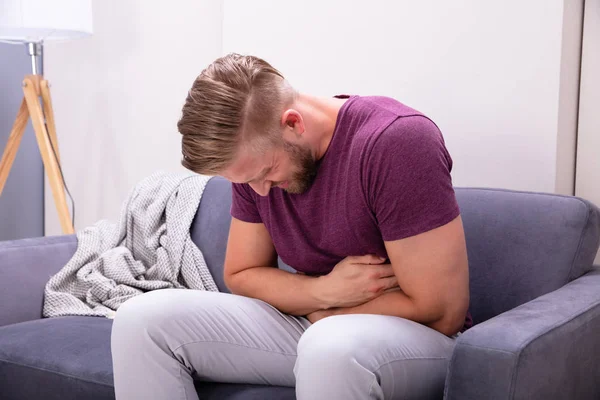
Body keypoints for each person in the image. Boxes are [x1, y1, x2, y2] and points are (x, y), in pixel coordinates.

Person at [111, 53, 470, 400]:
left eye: (266, 173)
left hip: (413, 338)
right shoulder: (256, 164)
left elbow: (442, 310)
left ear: (293, 123)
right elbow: (242, 273)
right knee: (140, 321)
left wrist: (332, 314)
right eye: (245, 181)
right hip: (317, 322)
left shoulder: (396, 142)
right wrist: (325, 293)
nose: (259, 191)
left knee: (328, 348)